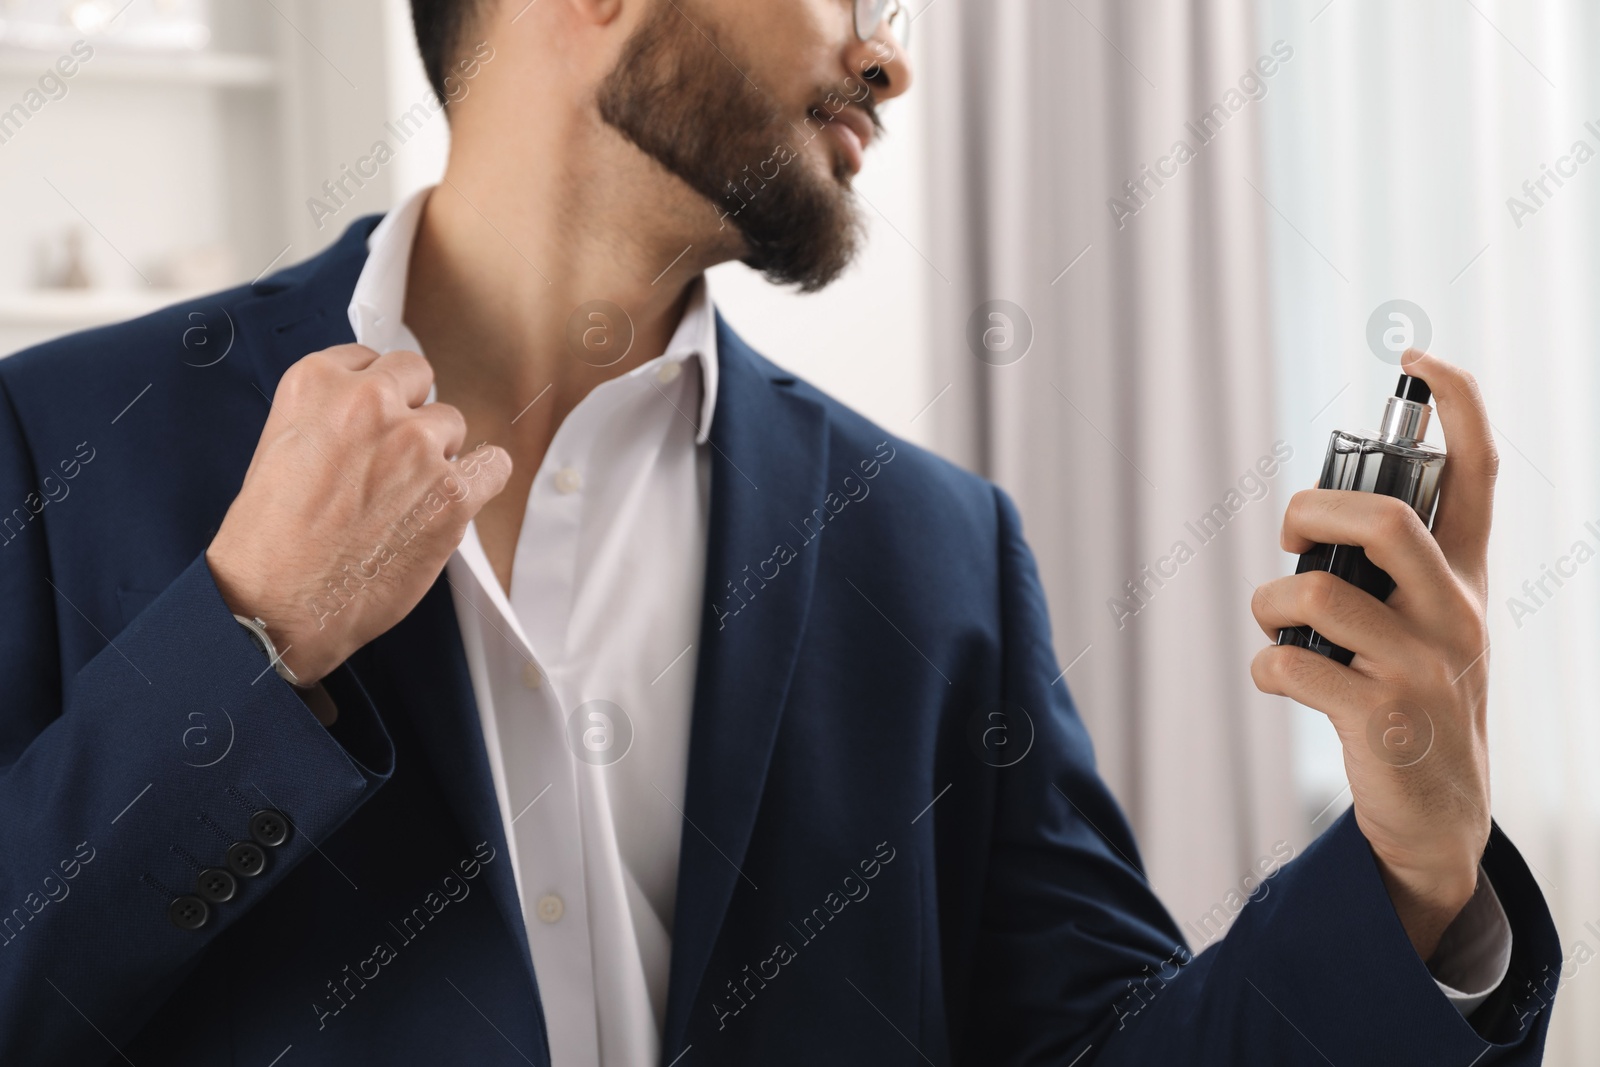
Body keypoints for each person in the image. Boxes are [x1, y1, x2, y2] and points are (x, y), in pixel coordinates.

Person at [0, 0, 1559, 1063]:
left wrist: (1413, 863)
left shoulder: (937, 557)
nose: (889, 60)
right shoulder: (67, 452)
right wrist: (248, 633)